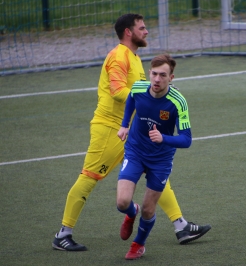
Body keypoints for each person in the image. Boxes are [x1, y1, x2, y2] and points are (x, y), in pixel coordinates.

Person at [52, 13, 210, 252]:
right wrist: (149, 100)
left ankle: (181, 226)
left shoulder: (134, 57)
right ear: (129, 32)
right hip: (110, 130)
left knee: (156, 174)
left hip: (133, 132)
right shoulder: (118, 56)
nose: (146, 32)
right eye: (142, 28)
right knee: (89, 177)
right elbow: (117, 91)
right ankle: (63, 234)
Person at [117, 54, 198, 260]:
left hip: (160, 160)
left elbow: (186, 140)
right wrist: (125, 125)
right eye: (154, 74)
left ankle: (138, 245)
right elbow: (130, 102)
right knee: (122, 202)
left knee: (148, 209)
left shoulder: (178, 102)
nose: (157, 79)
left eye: (163, 75)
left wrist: (164, 138)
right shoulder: (138, 88)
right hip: (135, 151)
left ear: (171, 78)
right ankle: (130, 212)